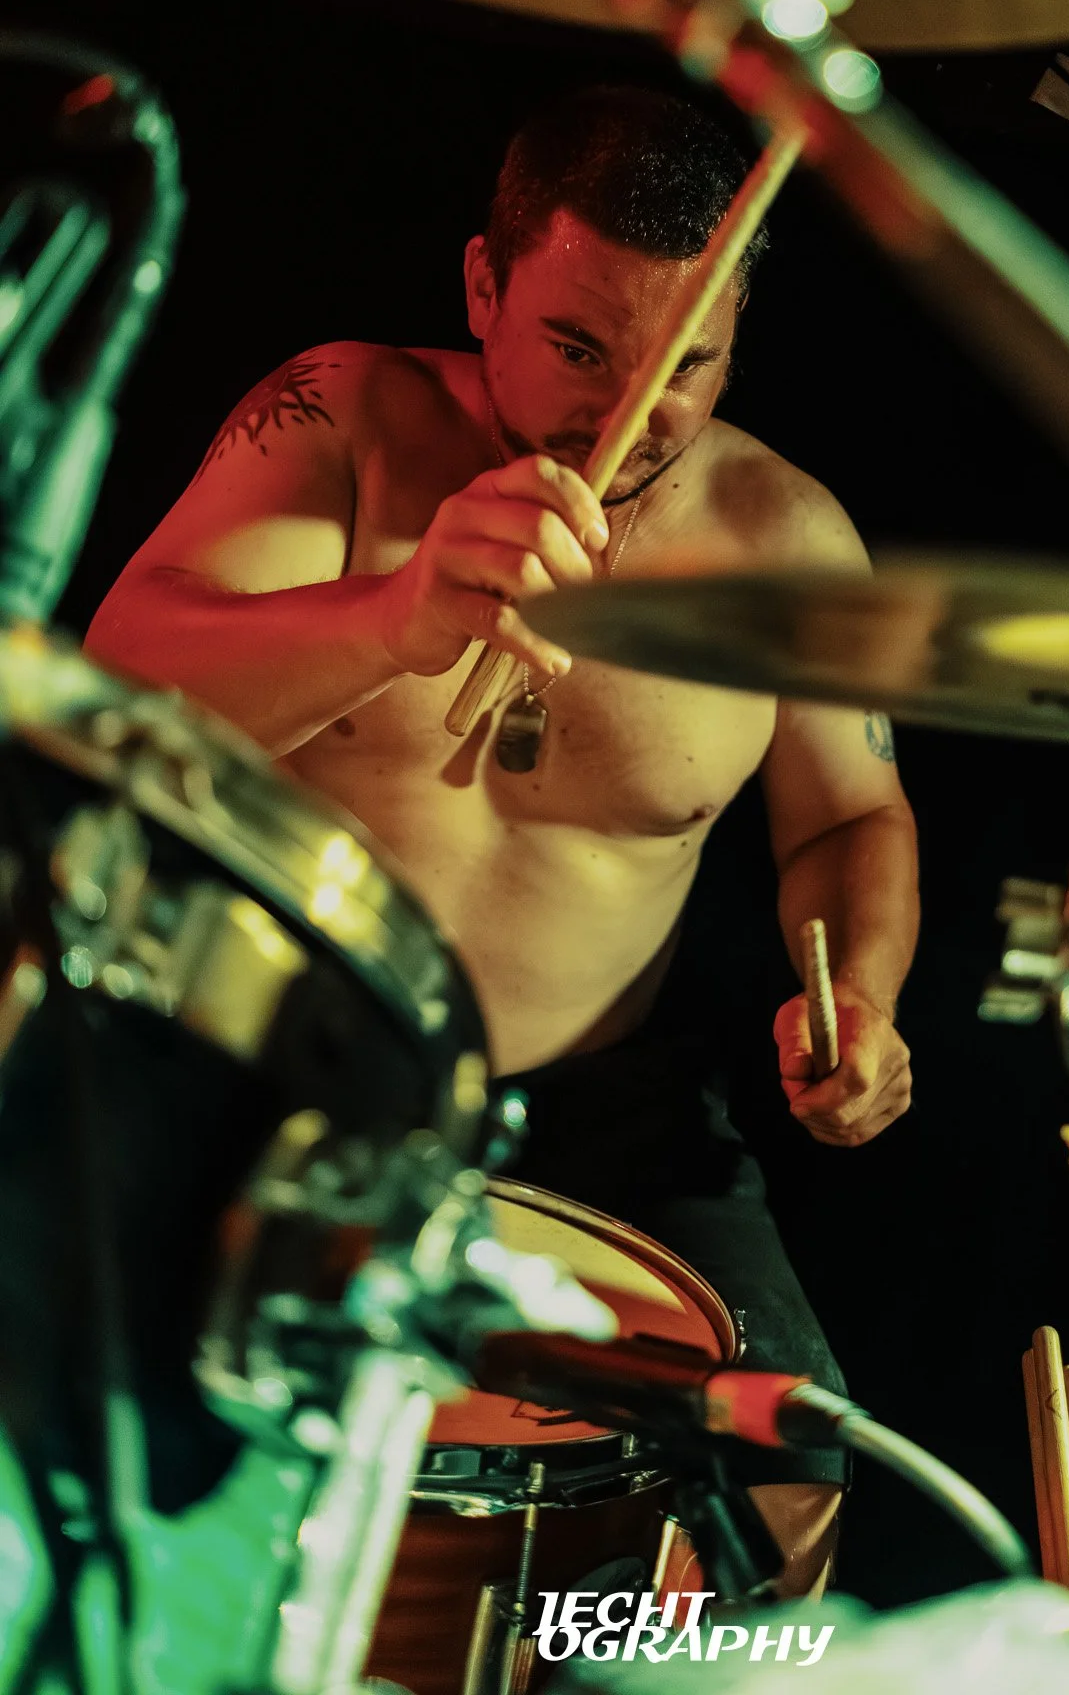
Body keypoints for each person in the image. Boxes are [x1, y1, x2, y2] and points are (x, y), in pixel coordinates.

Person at [86, 86, 919, 1595]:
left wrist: (858, 991)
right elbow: (123, 692)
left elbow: (854, 816)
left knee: (784, 1485)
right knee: (117, 1429)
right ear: (485, 285)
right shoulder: (344, 416)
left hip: (604, 1111)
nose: (629, 415)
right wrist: (389, 619)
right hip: (275, 1066)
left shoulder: (788, 545)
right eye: (579, 350)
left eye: (687, 366)